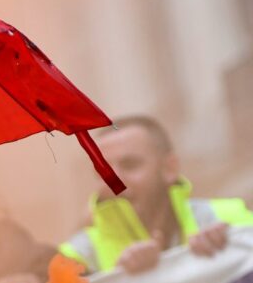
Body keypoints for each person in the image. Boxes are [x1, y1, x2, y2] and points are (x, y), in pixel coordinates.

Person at [59, 115, 253, 274]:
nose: (114, 181)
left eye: (130, 165)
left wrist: (231, 249)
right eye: (104, 171)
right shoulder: (75, 256)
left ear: (170, 167)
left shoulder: (228, 217)